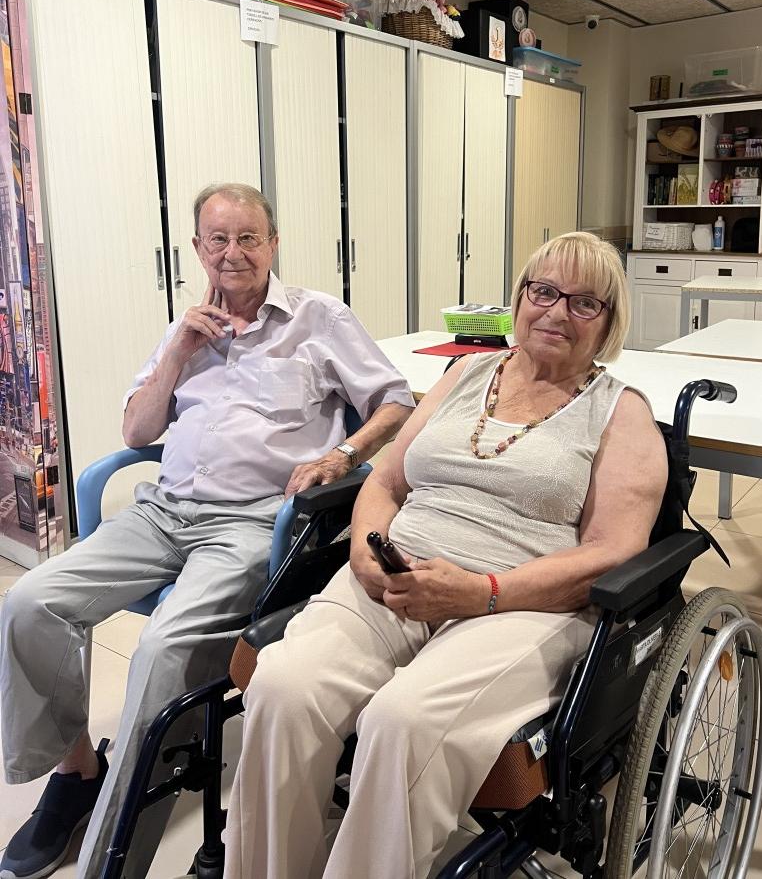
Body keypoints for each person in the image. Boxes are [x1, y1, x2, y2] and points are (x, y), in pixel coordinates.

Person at [222, 230, 669, 879]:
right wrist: (364, 554)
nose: (556, 312)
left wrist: (483, 592)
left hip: (521, 603)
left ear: (608, 322)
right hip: (397, 577)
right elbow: (386, 481)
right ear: (519, 298)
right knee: (285, 687)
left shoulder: (619, 412)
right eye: (543, 291)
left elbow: (612, 552)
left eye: (583, 302)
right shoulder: (464, 374)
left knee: (402, 721)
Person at [0, 183, 414, 879]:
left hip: (252, 522)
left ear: (273, 243)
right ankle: (76, 776)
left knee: (161, 648)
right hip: (161, 512)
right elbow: (137, 432)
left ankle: (113, 853)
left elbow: (395, 402)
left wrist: (341, 455)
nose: (233, 253)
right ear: (197, 248)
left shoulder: (319, 318)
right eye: (218, 239)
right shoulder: (185, 327)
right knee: (28, 603)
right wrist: (178, 352)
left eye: (248, 237)